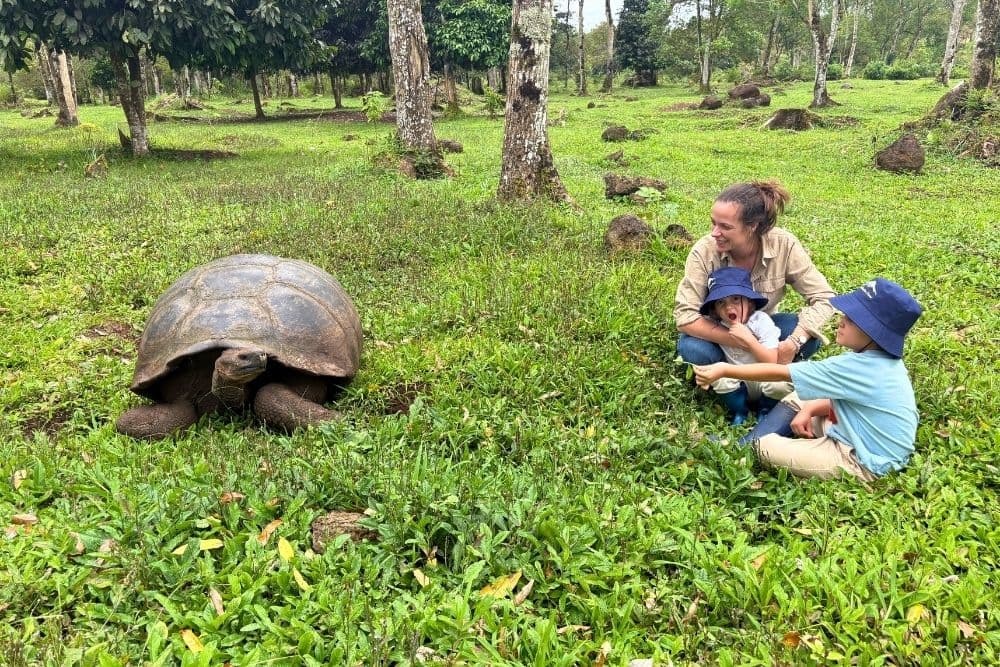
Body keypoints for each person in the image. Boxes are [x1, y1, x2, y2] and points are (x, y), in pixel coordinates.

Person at [692, 278, 923, 482]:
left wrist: (724, 370)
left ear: (874, 332)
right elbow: (859, 404)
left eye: (852, 320)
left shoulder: (854, 367)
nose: (841, 321)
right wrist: (811, 408)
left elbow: (782, 372)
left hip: (864, 461)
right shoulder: (881, 361)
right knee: (802, 398)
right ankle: (748, 443)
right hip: (854, 431)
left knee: (765, 447)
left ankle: (746, 448)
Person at [674, 180, 836, 367]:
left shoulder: (784, 245)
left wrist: (794, 342)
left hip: (763, 328)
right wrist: (745, 342)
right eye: (713, 223)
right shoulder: (704, 252)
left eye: (725, 227)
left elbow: (825, 298)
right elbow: (685, 318)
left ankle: (752, 374)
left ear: (752, 226)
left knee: (807, 338)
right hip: (720, 333)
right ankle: (738, 377)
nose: (714, 233)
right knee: (694, 350)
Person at [699, 266, 793, 425]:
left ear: (749, 302)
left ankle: (765, 411)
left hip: (765, 377)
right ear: (714, 310)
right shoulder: (718, 326)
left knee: (783, 382)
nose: (729, 307)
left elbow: (771, 362)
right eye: (721, 302)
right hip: (738, 380)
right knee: (720, 377)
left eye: (736, 299)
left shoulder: (760, 321)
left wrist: (749, 340)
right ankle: (740, 412)